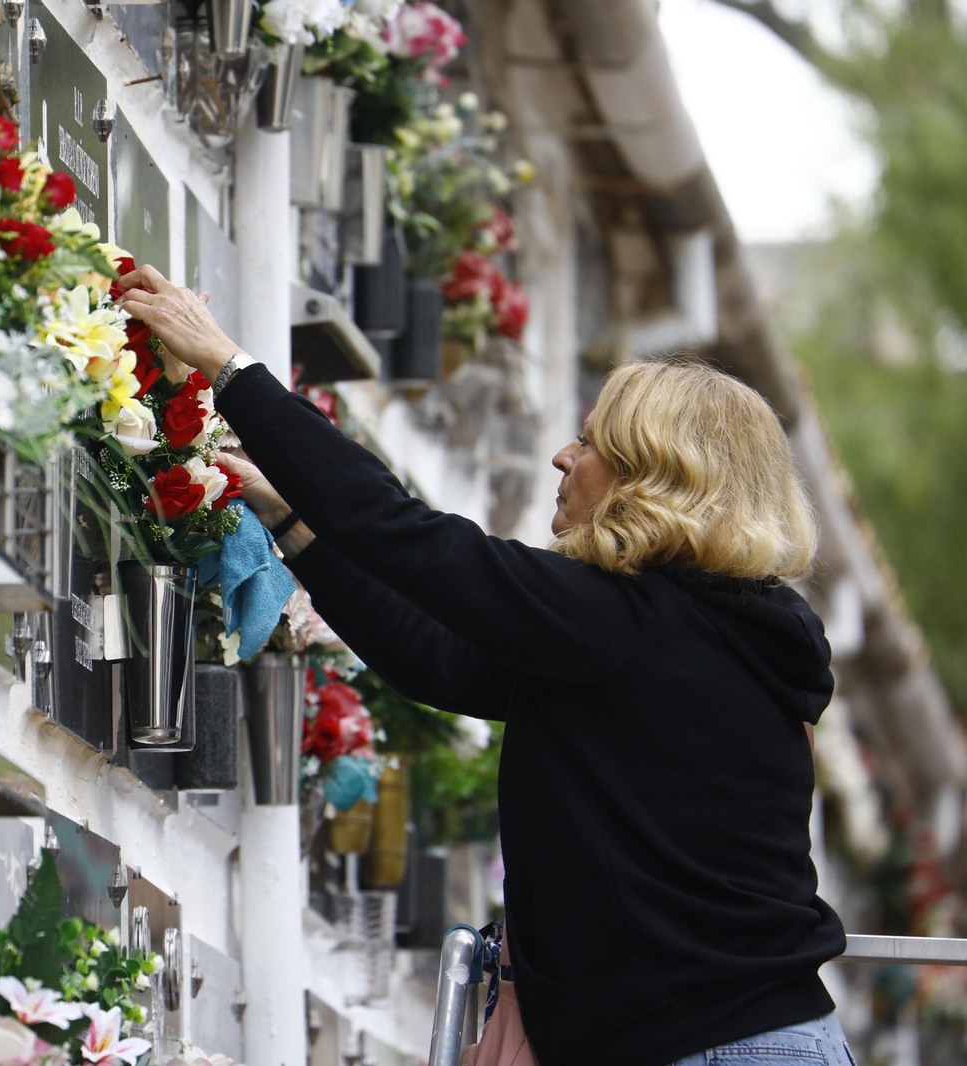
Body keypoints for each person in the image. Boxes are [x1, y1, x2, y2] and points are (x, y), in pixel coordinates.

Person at [115, 266, 853, 1066]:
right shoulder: (689, 639)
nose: (563, 459)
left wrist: (230, 369)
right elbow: (442, 663)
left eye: (594, 442)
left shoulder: (624, 622)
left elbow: (403, 532)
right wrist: (291, 521)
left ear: (657, 479)